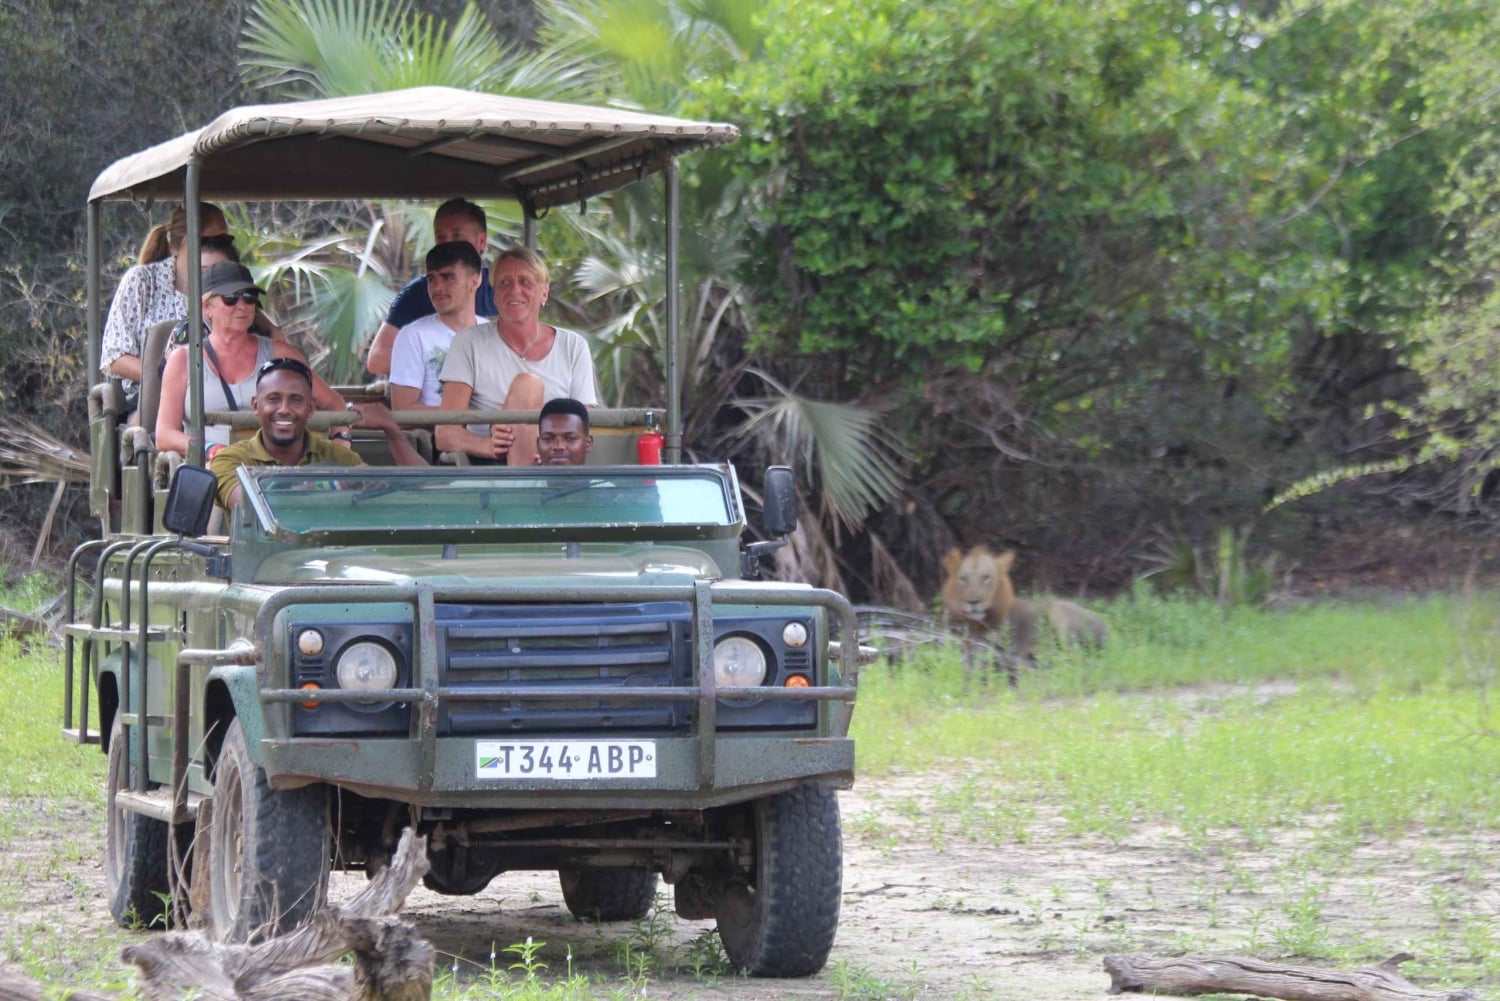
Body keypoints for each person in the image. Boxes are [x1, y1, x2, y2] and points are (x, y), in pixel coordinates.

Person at [156, 262, 345, 458]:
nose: (242, 306)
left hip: (274, 468)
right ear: (207, 308)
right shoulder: (183, 359)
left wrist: (342, 440)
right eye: (230, 298)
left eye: (249, 297)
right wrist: (211, 449)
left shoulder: (280, 355)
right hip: (211, 469)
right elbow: (164, 435)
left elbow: (334, 402)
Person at [436, 248, 600, 467]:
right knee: (528, 385)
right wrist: (489, 445)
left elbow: (580, 426)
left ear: (544, 293)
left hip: (557, 463)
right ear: (494, 295)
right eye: (504, 283)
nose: (515, 290)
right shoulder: (468, 342)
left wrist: (542, 442)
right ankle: (522, 489)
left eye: (525, 282)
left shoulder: (573, 345)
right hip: (491, 469)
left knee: (528, 386)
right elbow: (445, 434)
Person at [209, 357, 426, 510]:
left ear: (311, 408)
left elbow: (422, 491)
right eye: (274, 399)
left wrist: (392, 431)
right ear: (256, 406)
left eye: (295, 400)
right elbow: (251, 504)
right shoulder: (230, 459)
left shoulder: (338, 457)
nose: (284, 408)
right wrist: (333, 481)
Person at [101, 203, 229, 404]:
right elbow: (116, 357)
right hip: (153, 397)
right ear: (178, 245)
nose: (219, 249)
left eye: (225, 242)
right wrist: (174, 381)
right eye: (208, 242)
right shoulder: (142, 281)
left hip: (220, 395)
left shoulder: (232, 286)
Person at [365, 198, 494, 376]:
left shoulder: (503, 289)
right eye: (441, 238)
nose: (448, 245)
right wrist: (436, 363)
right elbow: (378, 360)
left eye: (457, 237)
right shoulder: (418, 293)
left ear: (481, 242)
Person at [387, 241, 484, 410]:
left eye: (448, 277)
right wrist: (462, 418)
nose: (437, 287)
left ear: (475, 281)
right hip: (435, 434)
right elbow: (403, 410)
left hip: (496, 433)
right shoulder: (413, 336)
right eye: (431, 279)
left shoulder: (491, 332)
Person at [536, 398, 593, 466]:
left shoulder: (604, 476)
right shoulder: (523, 476)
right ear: (538, 444)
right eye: (548, 439)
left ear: (588, 443)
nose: (558, 446)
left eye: (570, 438)